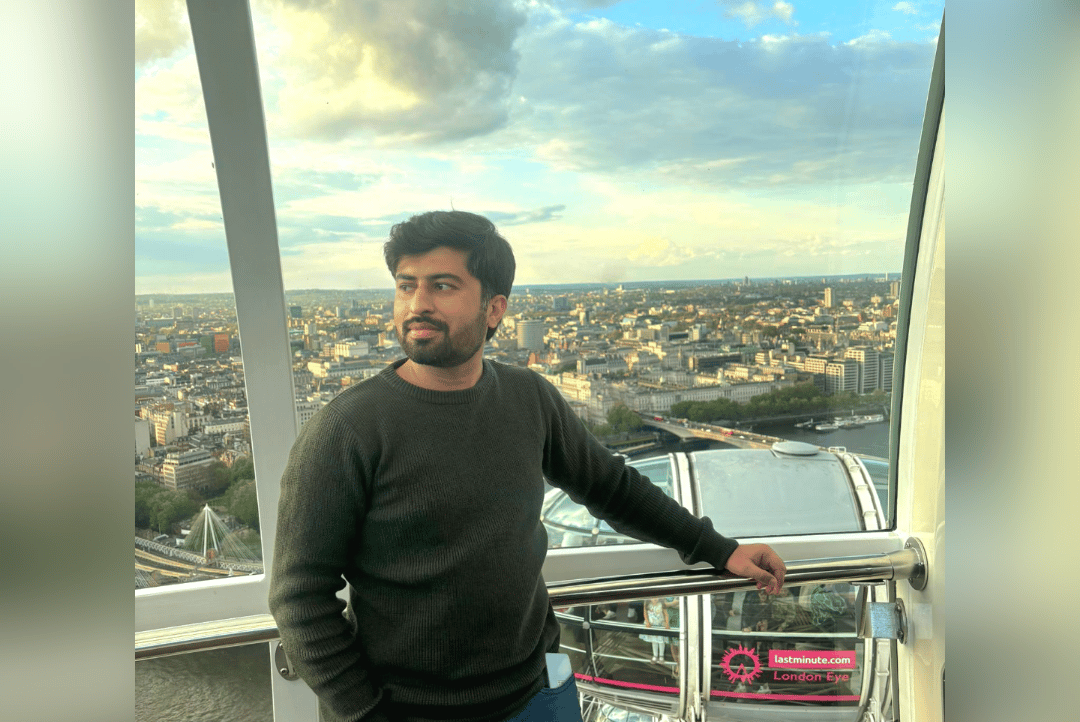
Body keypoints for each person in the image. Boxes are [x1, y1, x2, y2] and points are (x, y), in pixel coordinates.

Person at [268, 210, 786, 722]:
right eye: (406, 286)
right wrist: (367, 714)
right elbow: (299, 597)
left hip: (537, 693)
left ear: (494, 309)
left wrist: (720, 550)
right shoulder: (347, 428)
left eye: (442, 286)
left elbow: (611, 487)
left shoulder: (528, 397)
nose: (418, 304)